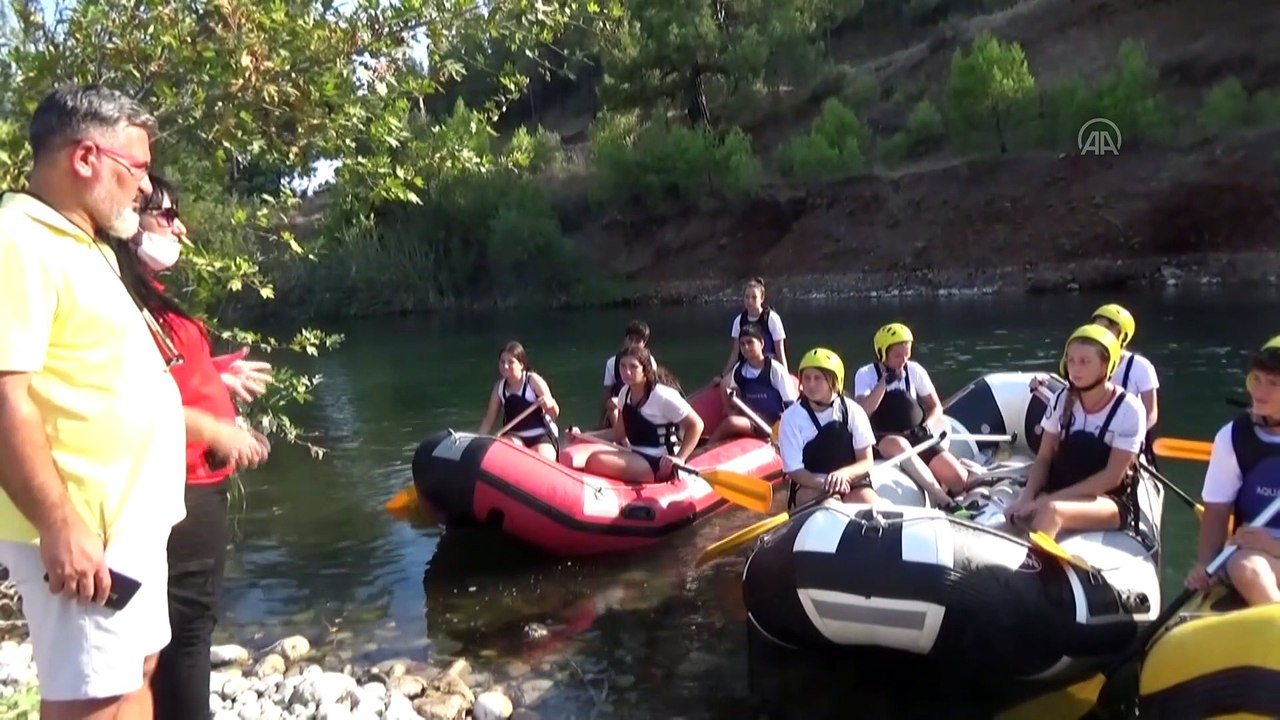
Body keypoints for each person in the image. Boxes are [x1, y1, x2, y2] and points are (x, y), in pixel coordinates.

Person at [0, 85, 186, 719]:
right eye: (136, 169)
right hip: (85, 534)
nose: (143, 188)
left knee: (135, 672)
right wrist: (59, 526)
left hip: (127, 526)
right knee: (94, 700)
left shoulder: (85, 245)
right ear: (86, 158)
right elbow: (4, 396)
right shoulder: (16, 241)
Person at [113, 175, 273, 720]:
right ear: (132, 220)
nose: (180, 226)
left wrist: (216, 374)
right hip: (179, 481)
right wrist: (219, 430)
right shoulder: (119, 293)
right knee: (186, 630)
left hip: (190, 480)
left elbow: (169, 372)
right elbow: (128, 395)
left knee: (177, 628)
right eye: (166, 214)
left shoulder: (147, 294)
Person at [1006, 325, 1146, 540]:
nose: (1075, 369)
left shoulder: (1129, 409)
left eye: (1085, 361)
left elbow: (1112, 477)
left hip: (1107, 500)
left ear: (1106, 365)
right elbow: (1044, 458)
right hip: (1060, 488)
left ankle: (1033, 569)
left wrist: (1048, 501)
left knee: (1052, 511)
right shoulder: (1061, 399)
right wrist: (1027, 497)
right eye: (1071, 360)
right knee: (1016, 516)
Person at [1185, 336, 1280, 606]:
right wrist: (1207, 564)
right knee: (1244, 566)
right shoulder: (1234, 437)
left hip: (1270, 549)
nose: (1260, 391)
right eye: (1256, 379)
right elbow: (1216, 512)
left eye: (1273, 384)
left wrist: (1274, 545)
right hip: (1255, 556)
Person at [853, 323, 976, 508]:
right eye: (897, 356)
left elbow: (935, 407)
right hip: (882, 437)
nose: (903, 360)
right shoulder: (865, 374)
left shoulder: (915, 370)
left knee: (958, 479)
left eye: (906, 354)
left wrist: (928, 426)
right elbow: (864, 411)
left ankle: (961, 483)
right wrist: (883, 384)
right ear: (882, 353)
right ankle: (945, 501)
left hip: (916, 434)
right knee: (899, 444)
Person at [1031, 304, 1159, 463]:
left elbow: (1151, 413)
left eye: (1107, 329)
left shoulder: (1140, 367)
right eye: (1096, 327)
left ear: (1123, 337)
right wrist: (1047, 382)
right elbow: (1071, 390)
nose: (1100, 333)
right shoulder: (1081, 364)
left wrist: (1128, 439)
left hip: (1123, 437)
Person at [573, 346, 703, 483]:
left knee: (596, 461)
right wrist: (582, 436)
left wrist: (680, 458)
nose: (626, 372)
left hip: (659, 460)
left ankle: (660, 478)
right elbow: (618, 433)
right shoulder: (625, 393)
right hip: (636, 454)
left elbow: (697, 425)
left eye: (633, 367)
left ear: (645, 370)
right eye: (622, 366)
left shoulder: (662, 395)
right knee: (587, 458)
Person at [777, 348, 879, 509]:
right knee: (831, 508)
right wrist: (826, 483)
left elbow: (866, 461)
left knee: (872, 506)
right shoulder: (790, 418)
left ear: (833, 381)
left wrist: (843, 475)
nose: (810, 384)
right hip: (810, 485)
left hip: (850, 480)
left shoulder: (852, 410)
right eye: (806, 378)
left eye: (817, 378)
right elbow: (795, 471)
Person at [711, 324, 798, 442]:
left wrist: (781, 430)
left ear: (761, 344)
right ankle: (707, 449)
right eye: (742, 344)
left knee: (731, 423)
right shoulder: (739, 369)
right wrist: (731, 408)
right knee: (732, 420)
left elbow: (790, 404)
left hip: (772, 424)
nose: (746, 347)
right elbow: (727, 387)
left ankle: (705, 448)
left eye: (750, 342)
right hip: (752, 420)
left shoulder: (775, 369)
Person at [478, 341, 561, 461]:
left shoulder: (533, 380)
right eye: (502, 362)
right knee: (502, 453)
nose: (505, 366)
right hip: (514, 437)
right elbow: (489, 420)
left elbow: (554, 413)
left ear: (521, 364)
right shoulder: (499, 388)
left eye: (510, 362)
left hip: (539, 436)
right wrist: (476, 440)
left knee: (542, 459)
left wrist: (550, 404)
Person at [719, 277, 788, 376]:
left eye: (754, 297)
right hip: (746, 366)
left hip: (769, 365)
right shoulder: (739, 321)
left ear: (762, 298)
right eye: (747, 297)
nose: (750, 301)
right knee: (725, 385)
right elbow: (735, 353)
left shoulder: (772, 319)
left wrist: (784, 375)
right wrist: (723, 375)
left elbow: (780, 351)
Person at [600, 320, 658, 428]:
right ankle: (623, 440)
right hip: (621, 407)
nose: (632, 344)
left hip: (644, 402)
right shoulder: (612, 362)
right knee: (612, 405)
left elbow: (654, 388)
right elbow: (606, 394)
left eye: (637, 341)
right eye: (630, 339)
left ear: (644, 344)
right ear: (625, 340)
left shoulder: (650, 362)